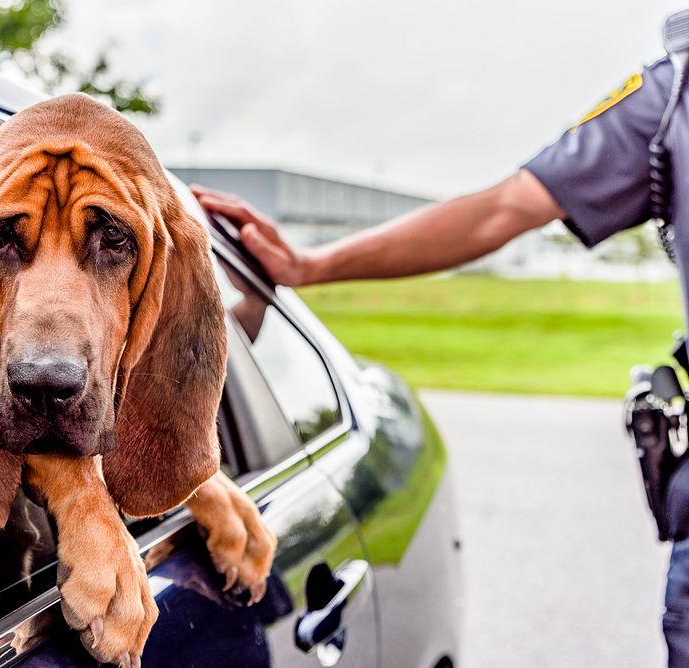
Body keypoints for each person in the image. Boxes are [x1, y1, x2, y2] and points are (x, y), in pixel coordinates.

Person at [192, 51, 689, 667]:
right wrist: (308, 268)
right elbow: (503, 209)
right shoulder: (671, 96)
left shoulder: (672, 93)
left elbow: (506, 209)